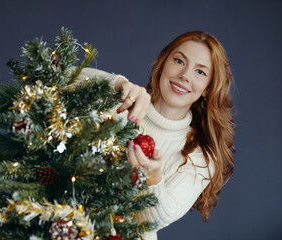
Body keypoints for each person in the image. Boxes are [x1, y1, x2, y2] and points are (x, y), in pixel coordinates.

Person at [77, 31, 235, 240]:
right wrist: (118, 85)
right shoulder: (123, 101)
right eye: (179, 61)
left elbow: (161, 217)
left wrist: (154, 179)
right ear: (162, 64)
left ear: (207, 89)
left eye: (200, 72)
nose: (185, 75)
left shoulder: (202, 157)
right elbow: (64, 79)